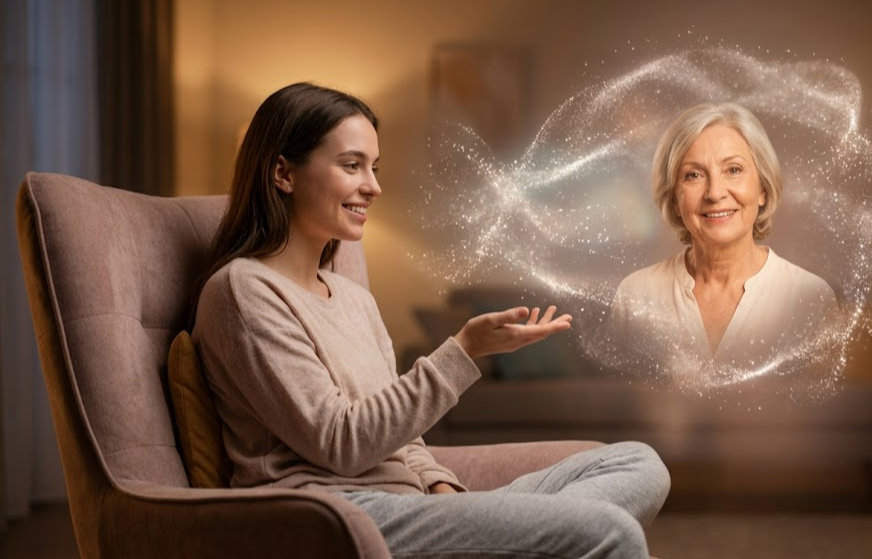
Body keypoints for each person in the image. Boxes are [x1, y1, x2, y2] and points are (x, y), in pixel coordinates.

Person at [191, 82, 669, 559]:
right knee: (606, 530)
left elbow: (403, 440)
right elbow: (341, 443)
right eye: (352, 165)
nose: (373, 186)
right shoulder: (244, 290)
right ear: (283, 173)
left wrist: (448, 498)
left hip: (415, 511)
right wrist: (463, 352)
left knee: (639, 465)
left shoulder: (355, 300)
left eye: (374, 168)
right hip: (339, 515)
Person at [613, 102, 836, 369]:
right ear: (674, 200)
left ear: (762, 189)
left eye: (733, 170)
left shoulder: (811, 299)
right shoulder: (635, 296)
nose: (715, 193)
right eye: (694, 175)